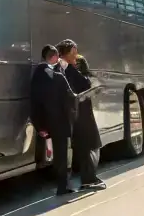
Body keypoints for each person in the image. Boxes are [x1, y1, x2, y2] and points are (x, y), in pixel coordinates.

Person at [58, 39, 104, 191]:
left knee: (88, 145)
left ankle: (88, 178)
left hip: (79, 112)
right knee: (88, 145)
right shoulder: (65, 69)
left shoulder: (66, 68)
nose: (76, 55)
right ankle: (88, 179)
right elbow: (83, 84)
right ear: (70, 52)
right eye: (74, 52)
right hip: (79, 113)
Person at [31, 44, 77, 194]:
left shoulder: (43, 72)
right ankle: (63, 185)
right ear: (54, 57)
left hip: (51, 120)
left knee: (60, 153)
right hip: (56, 120)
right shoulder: (47, 72)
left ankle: (63, 184)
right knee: (61, 153)